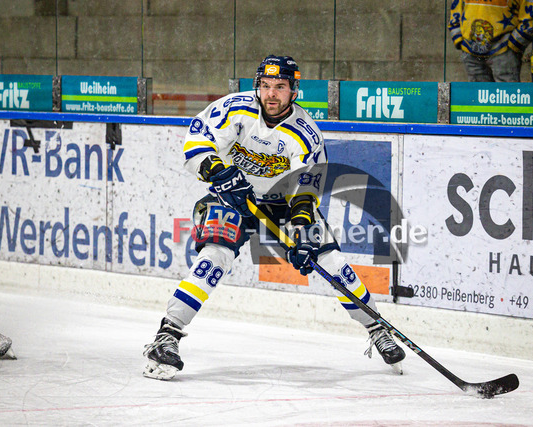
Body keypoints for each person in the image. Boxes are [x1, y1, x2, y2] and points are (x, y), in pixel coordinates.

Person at [143, 55, 406, 380]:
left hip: (284, 205)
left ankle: (377, 328)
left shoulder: (305, 133)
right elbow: (197, 142)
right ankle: (167, 335)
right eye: (265, 85)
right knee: (214, 258)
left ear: (293, 90)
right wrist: (217, 170)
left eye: (280, 87)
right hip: (232, 198)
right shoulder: (235, 109)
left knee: (332, 263)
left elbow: (306, 189)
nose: (271, 93)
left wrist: (301, 230)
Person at [448, 0, 533, 82]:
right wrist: (458, 36)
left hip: (504, 49)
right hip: (472, 48)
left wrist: (514, 44)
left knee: (506, 94)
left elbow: (532, 13)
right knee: (478, 94)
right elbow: (456, 6)